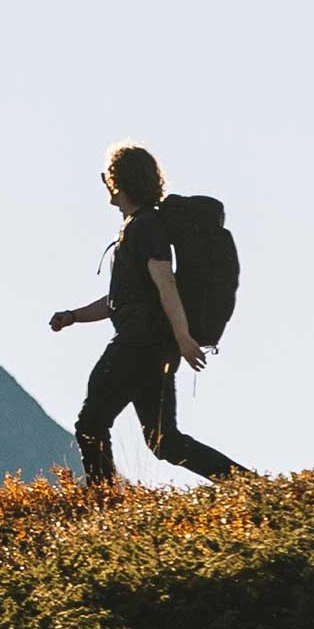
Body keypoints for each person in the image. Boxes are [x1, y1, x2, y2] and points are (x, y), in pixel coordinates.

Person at [48, 144, 249, 486]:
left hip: (138, 345)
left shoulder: (143, 228)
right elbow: (120, 300)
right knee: (163, 441)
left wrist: (184, 337)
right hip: (157, 347)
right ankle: (249, 485)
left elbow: (165, 281)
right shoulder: (139, 227)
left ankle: (104, 505)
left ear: (118, 182)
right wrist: (73, 316)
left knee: (91, 425)